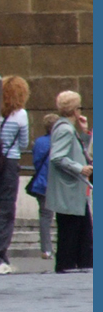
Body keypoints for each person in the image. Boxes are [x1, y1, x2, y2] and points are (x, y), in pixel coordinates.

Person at [0, 75, 30, 274]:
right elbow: (23, 143)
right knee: (6, 211)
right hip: (10, 163)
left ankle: (1, 254)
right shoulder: (21, 115)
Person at [47, 90, 92, 273]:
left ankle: (81, 266)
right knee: (74, 236)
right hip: (70, 192)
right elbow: (57, 157)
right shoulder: (65, 130)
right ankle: (73, 267)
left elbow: (81, 152)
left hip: (74, 193)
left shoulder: (66, 128)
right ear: (75, 110)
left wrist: (84, 132)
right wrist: (79, 168)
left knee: (81, 235)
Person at [29, 112, 59, 260]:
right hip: (55, 183)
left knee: (44, 217)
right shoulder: (60, 141)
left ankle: (46, 249)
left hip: (41, 183)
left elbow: (35, 162)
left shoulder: (39, 142)